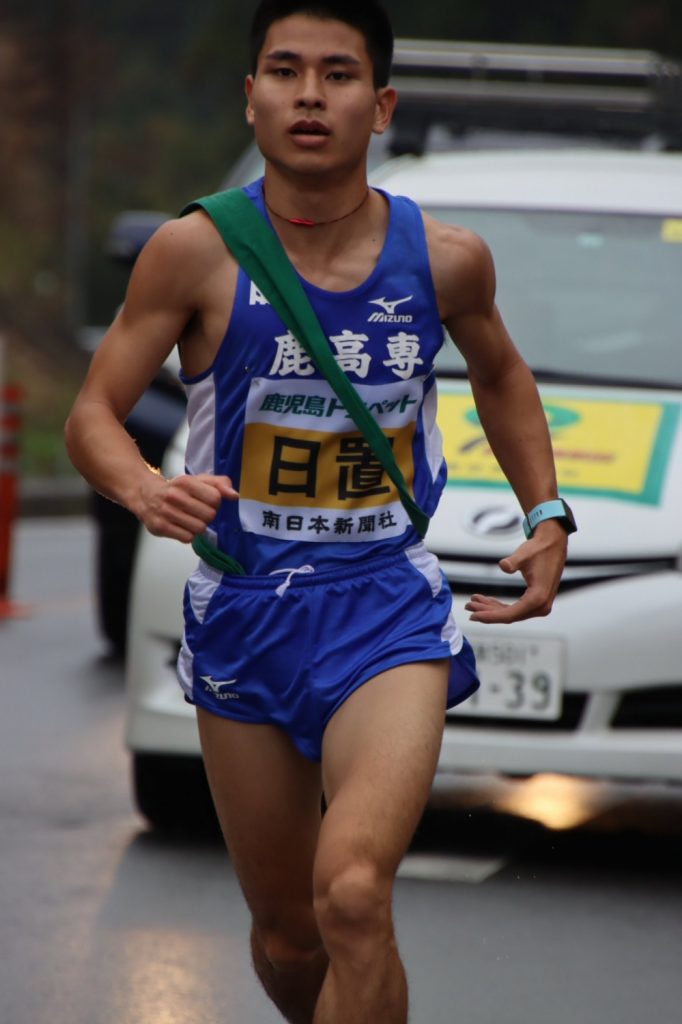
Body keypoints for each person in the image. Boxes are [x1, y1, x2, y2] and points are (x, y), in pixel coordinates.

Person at [65, 2, 574, 1021]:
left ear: (380, 104)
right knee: (289, 935)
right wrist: (143, 487)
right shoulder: (194, 251)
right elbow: (93, 415)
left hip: (381, 606)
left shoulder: (445, 259)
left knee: (350, 894)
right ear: (249, 96)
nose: (309, 94)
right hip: (247, 614)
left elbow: (502, 375)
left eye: (337, 74)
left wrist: (548, 512)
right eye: (284, 70)